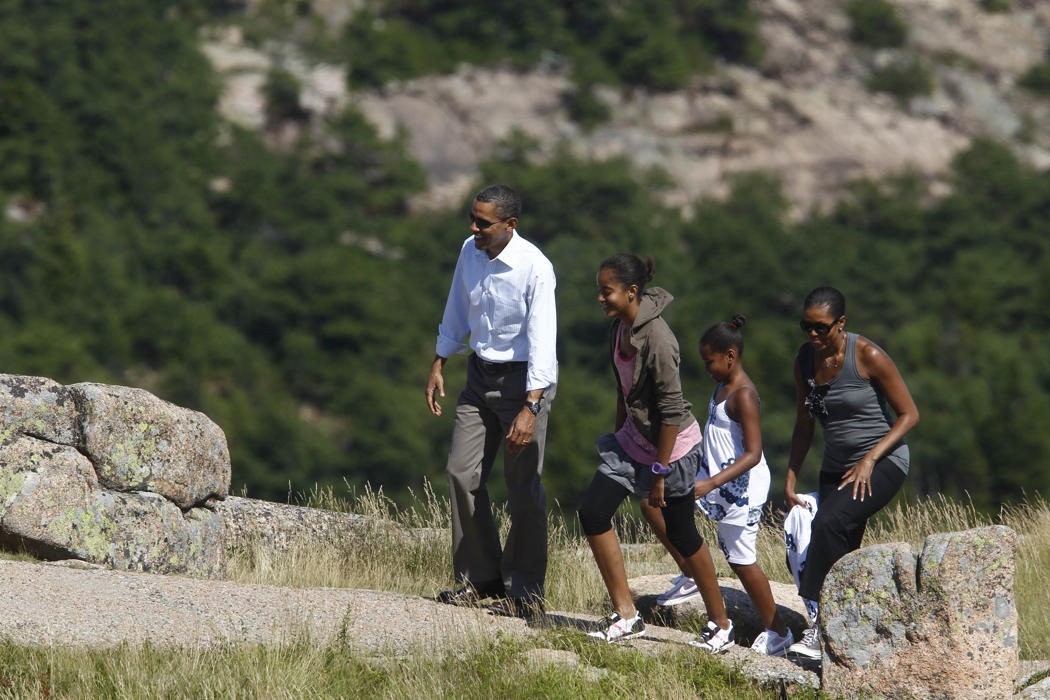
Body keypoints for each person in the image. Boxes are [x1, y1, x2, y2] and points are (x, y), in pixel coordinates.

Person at [578, 254, 733, 651]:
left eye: (607, 291)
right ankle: (626, 615)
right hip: (635, 439)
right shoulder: (619, 327)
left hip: (672, 447)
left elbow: (670, 411)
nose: (600, 298)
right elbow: (624, 389)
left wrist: (660, 474)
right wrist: (619, 436)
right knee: (593, 512)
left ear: (631, 292)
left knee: (682, 533)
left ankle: (721, 625)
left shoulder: (660, 339)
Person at [425, 184, 557, 620]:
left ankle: (525, 594)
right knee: (461, 473)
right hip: (479, 375)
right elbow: (457, 307)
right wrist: (440, 361)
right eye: (472, 218)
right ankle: (480, 579)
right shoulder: (470, 251)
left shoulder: (535, 267)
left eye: (483, 222)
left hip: (524, 383)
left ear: (510, 224)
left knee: (523, 488)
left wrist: (531, 407)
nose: (473, 227)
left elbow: (543, 341)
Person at [783, 286, 919, 659]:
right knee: (842, 550)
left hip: (883, 461)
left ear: (840, 323)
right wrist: (791, 476)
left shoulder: (867, 355)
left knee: (828, 525)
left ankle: (820, 628)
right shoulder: (804, 361)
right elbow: (804, 423)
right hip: (836, 468)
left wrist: (870, 459)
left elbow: (910, 414)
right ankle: (849, 634)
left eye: (821, 327)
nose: (813, 334)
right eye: (807, 326)